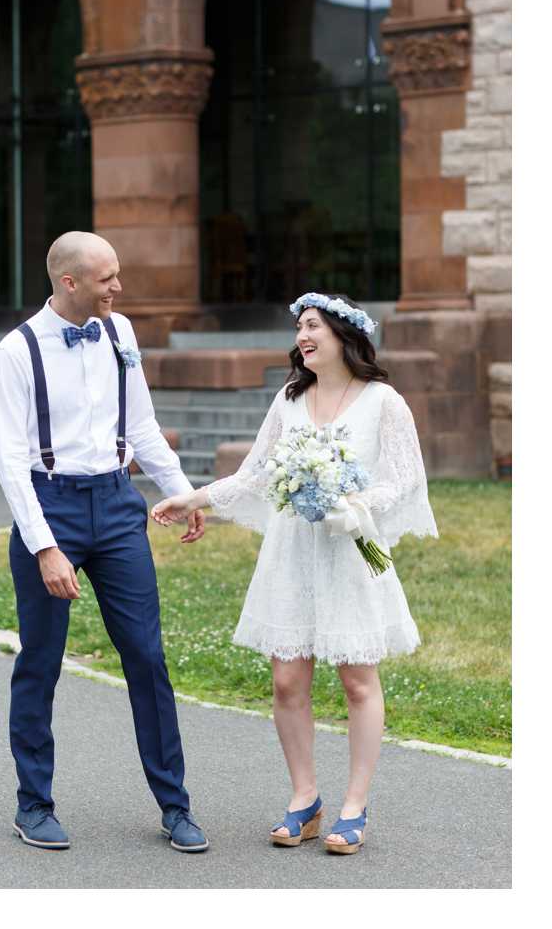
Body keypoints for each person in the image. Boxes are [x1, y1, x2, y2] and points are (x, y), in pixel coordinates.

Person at [153, 293, 437, 857]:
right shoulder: (289, 400)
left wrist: (354, 505)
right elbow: (255, 474)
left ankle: (354, 806)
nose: (303, 336)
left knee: (358, 681)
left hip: (351, 550)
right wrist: (192, 498)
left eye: (313, 327)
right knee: (287, 681)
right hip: (291, 555)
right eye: (299, 328)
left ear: (342, 335)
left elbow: (405, 478)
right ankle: (305, 799)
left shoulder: (384, 401)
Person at [0, 230, 210, 855]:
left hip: (117, 507)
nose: (119, 286)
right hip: (50, 503)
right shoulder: (16, 351)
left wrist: (185, 492)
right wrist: (44, 547)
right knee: (41, 661)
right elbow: (9, 459)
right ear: (69, 282)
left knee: (146, 656)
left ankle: (176, 807)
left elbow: (139, 424)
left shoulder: (120, 333)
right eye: (108, 277)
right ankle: (33, 805)